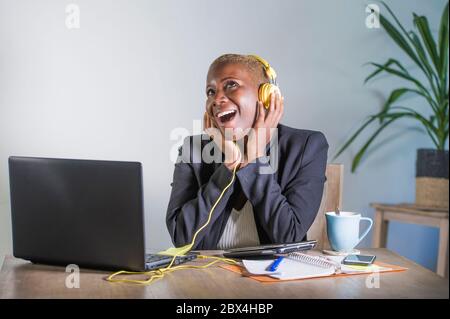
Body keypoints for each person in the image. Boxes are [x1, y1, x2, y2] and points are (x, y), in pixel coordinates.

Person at [166, 54, 329, 250]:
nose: (216, 99)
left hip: (274, 277)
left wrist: (254, 158)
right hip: (207, 276)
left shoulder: (306, 147)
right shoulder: (193, 150)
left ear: (266, 96)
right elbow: (181, 238)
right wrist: (229, 165)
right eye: (210, 91)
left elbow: (289, 237)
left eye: (231, 85)